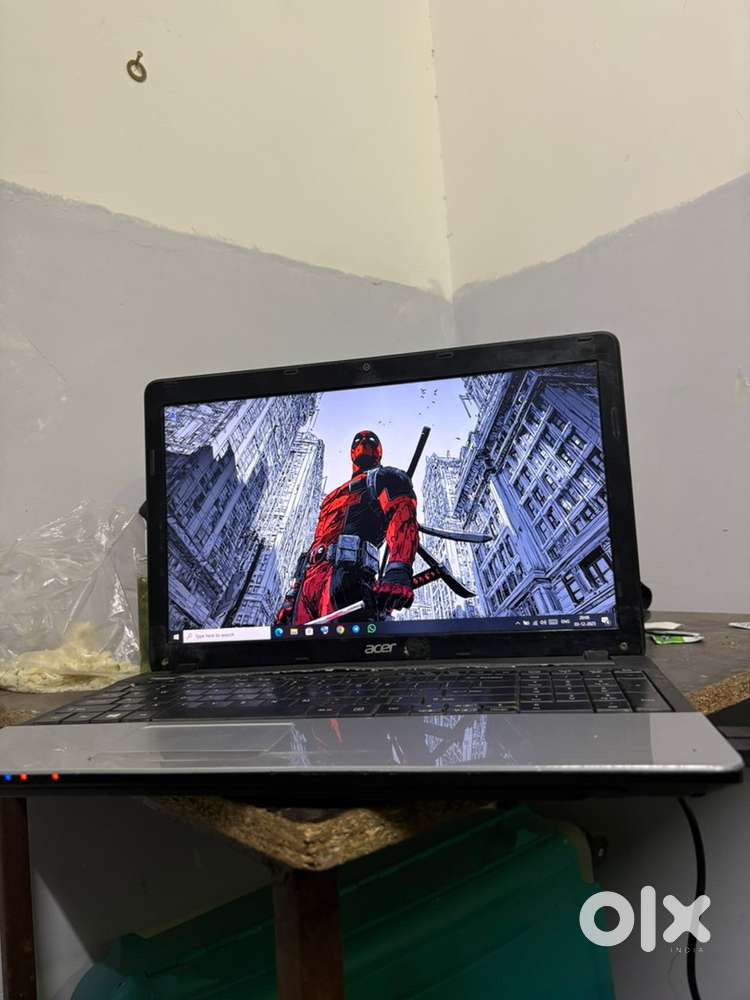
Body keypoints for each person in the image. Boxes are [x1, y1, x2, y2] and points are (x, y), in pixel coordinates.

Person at [275, 430, 418, 625]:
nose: (364, 442)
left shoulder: (387, 477)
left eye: (371, 439)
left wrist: (398, 569)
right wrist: (292, 595)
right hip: (309, 585)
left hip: (348, 578)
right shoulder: (330, 498)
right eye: (358, 439)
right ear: (351, 451)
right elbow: (316, 543)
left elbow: (402, 516)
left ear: (379, 450)